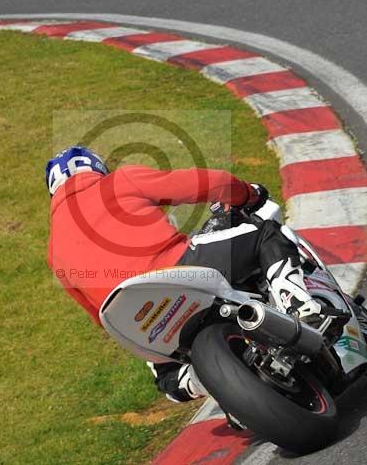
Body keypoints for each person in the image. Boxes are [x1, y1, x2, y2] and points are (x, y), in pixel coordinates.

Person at [46, 146, 322, 403]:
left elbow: (97, 316)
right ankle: (297, 304)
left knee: (165, 375)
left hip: (131, 316)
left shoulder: (53, 249)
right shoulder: (118, 182)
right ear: (96, 168)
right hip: (176, 270)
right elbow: (207, 183)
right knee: (265, 235)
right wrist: (249, 194)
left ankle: (197, 381)